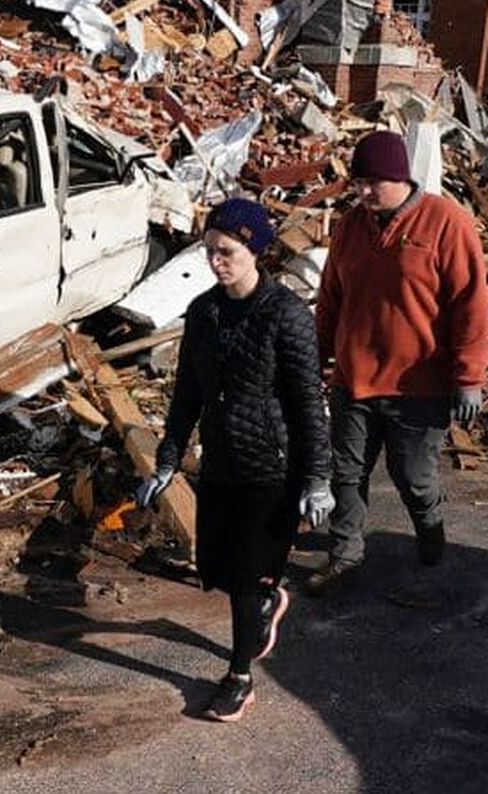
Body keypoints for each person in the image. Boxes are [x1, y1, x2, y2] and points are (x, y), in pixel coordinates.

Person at [136, 197, 333, 722]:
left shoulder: (285, 316)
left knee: (244, 578)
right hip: (221, 460)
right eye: (209, 252)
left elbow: (307, 404)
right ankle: (267, 602)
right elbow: (187, 396)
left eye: (226, 252)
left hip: (273, 469)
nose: (216, 262)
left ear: (255, 250)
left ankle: (238, 677)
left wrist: (316, 478)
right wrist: (167, 462)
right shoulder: (204, 312)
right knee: (215, 568)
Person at [308, 129, 488, 594]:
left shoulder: (447, 222)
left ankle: (430, 525)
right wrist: (314, 358)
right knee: (347, 474)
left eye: (375, 183)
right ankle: (345, 556)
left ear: (401, 177)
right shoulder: (350, 227)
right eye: (359, 182)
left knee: (412, 476)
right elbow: (330, 300)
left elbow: (471, 304)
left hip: (419, 385)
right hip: (354, 377)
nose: (365, 192)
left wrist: (469, 377)